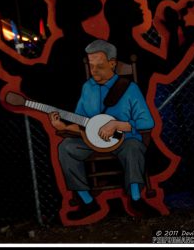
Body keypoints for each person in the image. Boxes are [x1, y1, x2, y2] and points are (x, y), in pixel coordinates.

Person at [49, 39, 155, 220]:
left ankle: (136, 199)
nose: (94, 71)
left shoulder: (129, 89)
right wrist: (64, 127)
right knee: (66, 147)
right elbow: (82, 121)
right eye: (91, 66)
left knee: (134, 147)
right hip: (92, 141)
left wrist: (117, 124)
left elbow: (146, 122)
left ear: (112, 64)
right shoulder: (87, 88)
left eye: (99, 65)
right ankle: (88, 202)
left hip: (123, 140)